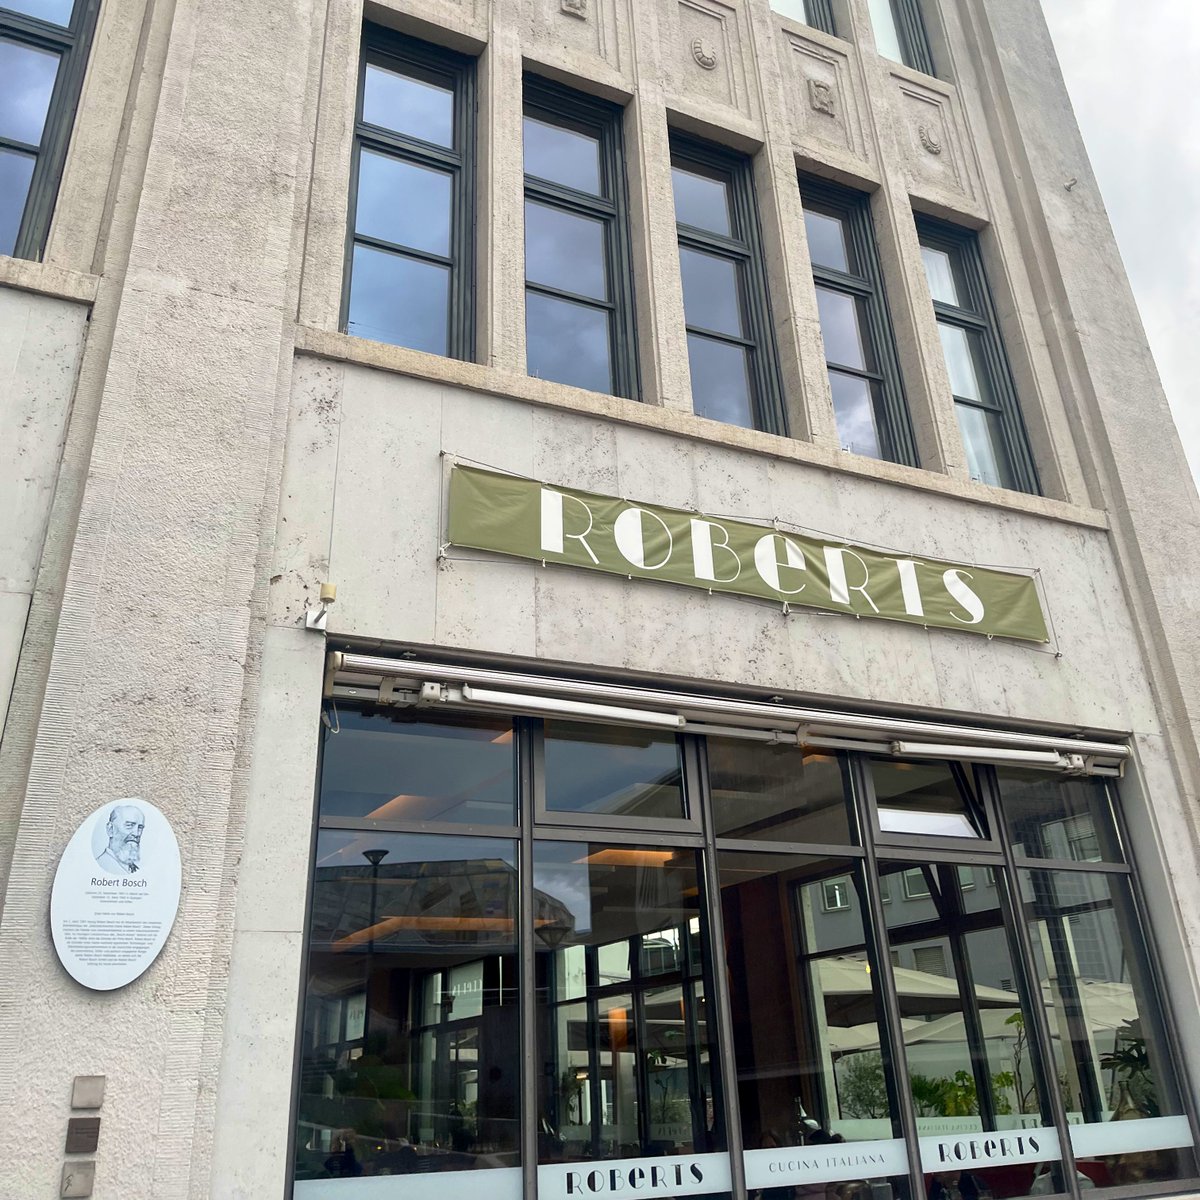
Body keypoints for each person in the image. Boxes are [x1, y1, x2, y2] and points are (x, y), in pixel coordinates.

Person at [95, 804, 145, 875]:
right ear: (110, 829)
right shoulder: (101, 864)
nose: (137, 834)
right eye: (129, 825)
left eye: (140, 827)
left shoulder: (136, 870)